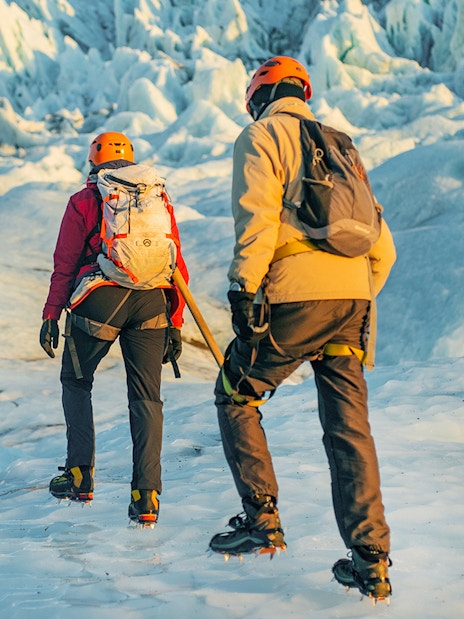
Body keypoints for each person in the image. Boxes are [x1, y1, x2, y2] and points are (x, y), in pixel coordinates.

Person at [208, 57, 396, 601]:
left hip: (296, 294)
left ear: (257, 97)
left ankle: (262, 521)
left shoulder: (262, 136)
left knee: (236, 395)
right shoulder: (340, 144)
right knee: (349, 430)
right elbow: (384, 247)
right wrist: (353, 294)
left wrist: (246, 288)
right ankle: (371, 562)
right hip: (354, 298)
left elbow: (257, 219)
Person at [40, 131, 189, 526]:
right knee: (146, 398)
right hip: (152, 300)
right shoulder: (156, 198)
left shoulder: (85, 200)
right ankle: (146, 496)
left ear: (93, 163)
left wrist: (51, 314)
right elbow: (176, 263)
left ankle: (78, 476)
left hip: (101, 299)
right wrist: (175, 322)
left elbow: (66, 264)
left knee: (76, 381)